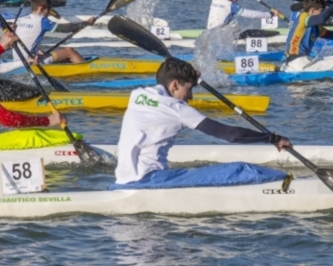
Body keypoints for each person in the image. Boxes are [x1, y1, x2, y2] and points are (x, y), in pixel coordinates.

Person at [112, 57, 291, 189]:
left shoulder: (137, 95)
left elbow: (169, 75)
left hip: (123, 179)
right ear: (175, 85)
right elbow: (230, 135)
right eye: (189, 89)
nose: (190, 97)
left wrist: (188, 76)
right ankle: (290, 184)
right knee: (242, 169)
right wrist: (271, 138)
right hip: (149, 180)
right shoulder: (177, 108)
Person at [11, 0, 95, 66]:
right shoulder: (42, 21)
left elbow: (27, 40)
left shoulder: (23, 20)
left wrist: (38, 50)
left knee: (49, 53)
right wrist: (86, 23)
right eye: (48, 11)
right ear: (41, 9)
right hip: (31, 62)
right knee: (69, 51)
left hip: (18, 60)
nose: (48, 15)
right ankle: (87, 69)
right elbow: (66, 29)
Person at [206, 0, 279, 29]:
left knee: (233, 25)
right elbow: (251, 14)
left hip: (210, 30)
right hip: (220, 34)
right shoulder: (231, 5)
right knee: (241, 29)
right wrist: (270, 14)